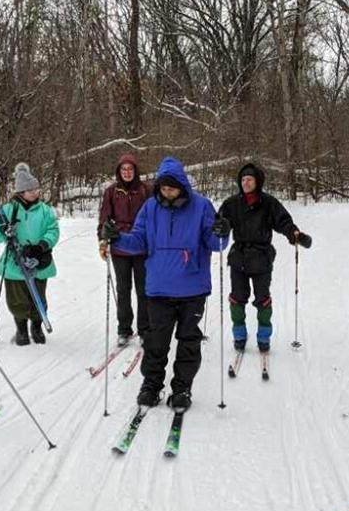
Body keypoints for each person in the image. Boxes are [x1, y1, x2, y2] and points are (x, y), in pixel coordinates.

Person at [100, 157, 228, 410]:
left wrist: (222, 232)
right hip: (158, 288)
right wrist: (117, 239)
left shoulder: (201, 206)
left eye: (170, 188)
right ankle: (152, 385)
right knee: (156, 341)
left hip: (192, 288)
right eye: (162, 188)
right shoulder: (150, 208)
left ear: (182, 185)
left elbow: (216, 245)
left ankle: (182, 388)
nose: (165, 192)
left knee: (188, 342)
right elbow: (138, 241)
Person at [217, 163, 311, 352]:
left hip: (261, 257)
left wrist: (295, 234)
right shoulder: (232, 203)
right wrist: (221, 227)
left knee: (263, 299)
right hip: (239, 257)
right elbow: (220, 220)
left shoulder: (268, 203)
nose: (245, 182)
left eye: (249, 179)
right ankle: (239, 334)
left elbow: (283, 221)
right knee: (237, 297)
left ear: (257, 181)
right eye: (243, 179)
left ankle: (264, 336)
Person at [0, 162, 59, 345]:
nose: (36, 192)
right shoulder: (8, 209)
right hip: (14, 261)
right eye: (32, 190)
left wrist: (41, 246)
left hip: (39, 260)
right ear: (22, 192)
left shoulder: (44, 210)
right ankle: (21, 330)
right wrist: (4, 231)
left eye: (37, 188)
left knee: (39, 295)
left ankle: (37, 327)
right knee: (17, 299)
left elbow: (53, 230)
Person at [97, 153, 152, 346]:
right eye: (123, 169)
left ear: (135, 171)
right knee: (123, 290)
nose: (127, 173)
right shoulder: (112, 191)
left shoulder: (146, 190)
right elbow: (104, 219)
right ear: (119, 172)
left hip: (141, 244)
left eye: (130, 169)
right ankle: (124, 329)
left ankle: (145, 329)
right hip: (119, 245)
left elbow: (154, 216)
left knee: (143, 290)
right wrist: (103, 240)